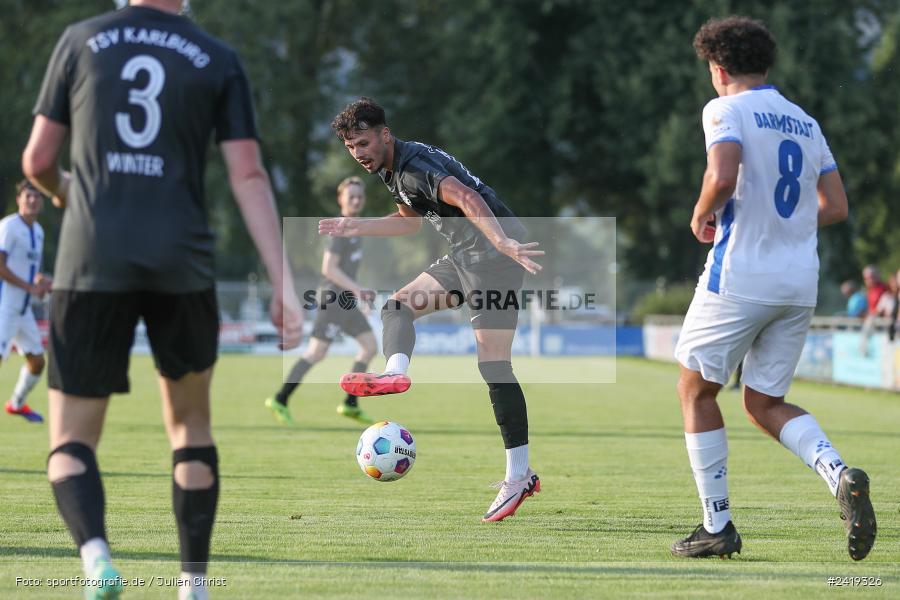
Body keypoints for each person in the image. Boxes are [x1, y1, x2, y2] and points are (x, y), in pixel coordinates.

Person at [22, 1, 302, 598]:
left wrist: (67, 192)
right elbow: (248, 175)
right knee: (191, 426)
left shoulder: (80, 39)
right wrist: (282, 280)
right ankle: (193, 586)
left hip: (91, 259)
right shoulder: (217, 57)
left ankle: (97, 557)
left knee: (71, 440)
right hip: (183, 260)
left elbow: (39, 161)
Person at [671, 16, 875, 560]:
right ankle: (838, 474)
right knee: (763, 402)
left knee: (696, 391)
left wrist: (701, 211)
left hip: (740, 274)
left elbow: (723, 172)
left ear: (718, 69)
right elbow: (835, 206)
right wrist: (784, 222)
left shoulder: (724, 108)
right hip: (798, 281)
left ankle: (717, 525)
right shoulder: (805, 121)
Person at [322, 98, 544, 522]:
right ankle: (395, 371)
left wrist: (501, 242)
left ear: (385, 134)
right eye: (351, 148)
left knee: (494, 367)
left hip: (495, 258)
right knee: (396, 307)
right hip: (465, 255)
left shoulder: (413, 167)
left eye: (364, 143)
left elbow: (466, 196)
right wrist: (360, 226)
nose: (359, 154)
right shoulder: (393, 168)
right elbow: (409, 220)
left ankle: (520, 476)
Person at [266, 176, 377, 426]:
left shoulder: (354, 229)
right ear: (341, 200)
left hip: (346, 301)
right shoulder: (339, 230)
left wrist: (358, 296)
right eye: (351, 197)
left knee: (369, 346)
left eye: (360, 196)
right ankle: (280, 399)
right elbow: (329, 269)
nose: (357, 200)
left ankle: (350, 403)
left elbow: (346, 273)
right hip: (333, 301)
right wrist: (360, 291)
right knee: (316, 353)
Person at [1, 180, 52, 423]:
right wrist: (30, 286)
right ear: (19, 199)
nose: (32, 201)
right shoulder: (9, 226)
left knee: (37, 361)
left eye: (37, 197)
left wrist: (42, 281)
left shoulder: (38, 231)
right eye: (28, 196)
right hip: (5, 305)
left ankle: (16, 404)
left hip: (23, 309)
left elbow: (32, 270)